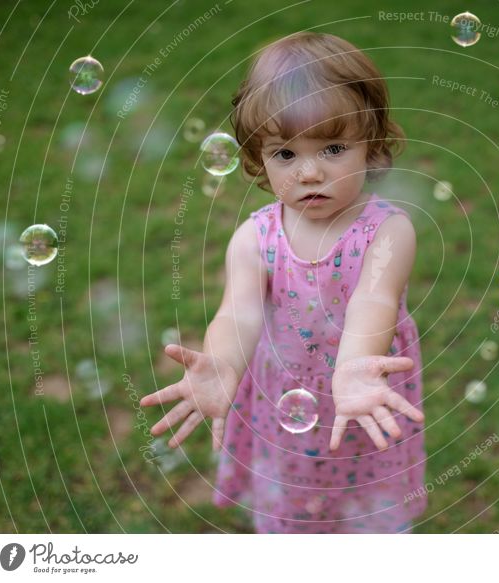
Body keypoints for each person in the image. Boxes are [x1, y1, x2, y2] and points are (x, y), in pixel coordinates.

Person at [140, 32, 426, 533]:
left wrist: (356, 370)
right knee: (290, 501)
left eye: (333, 148)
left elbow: (373, 299)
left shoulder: (388, 230)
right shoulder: (255, 237)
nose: (310, 172)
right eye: (285, 154)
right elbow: (239, 312)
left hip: (362, 391)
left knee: (363, 504)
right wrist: (222, 364)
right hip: (282, 397)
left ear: (371, 145)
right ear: (258, 158)